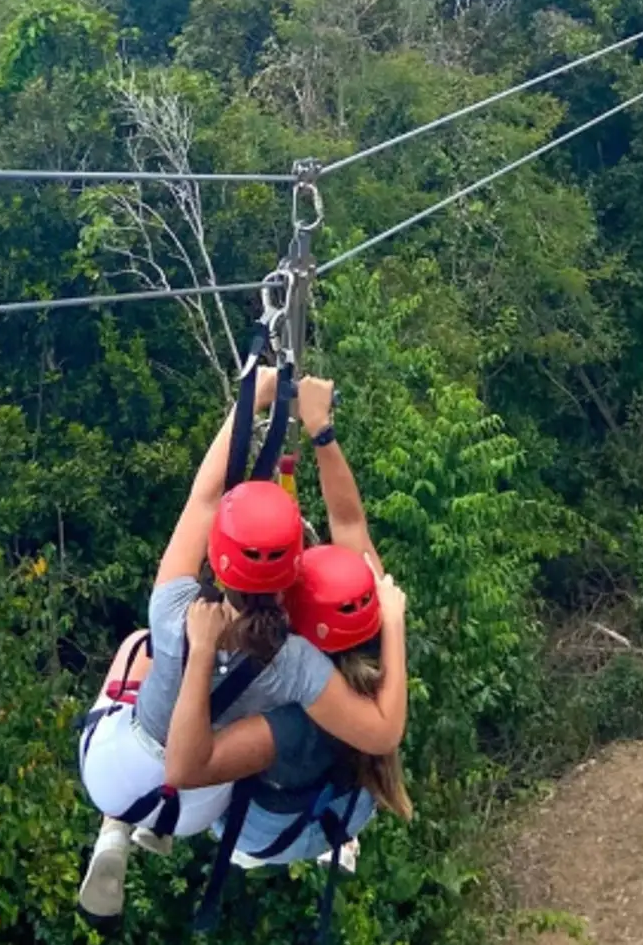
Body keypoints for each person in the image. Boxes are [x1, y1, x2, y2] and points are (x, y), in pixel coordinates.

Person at [74, 368, 408, 922]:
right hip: (197, 803)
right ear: (294, 576)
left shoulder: (175, 610)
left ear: (219, 558)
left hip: (123, 768)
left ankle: (115, 826)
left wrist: (256, 398)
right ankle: (162, 828)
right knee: (242, 755)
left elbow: (205, 498)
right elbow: (349, 525)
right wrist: (320, 431)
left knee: (138, 646)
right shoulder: (297, 660)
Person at [166, 546, 412, 866]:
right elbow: (349, 521)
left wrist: (201, 650)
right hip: (351, 811)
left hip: (268, 833)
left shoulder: (290, 723)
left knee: (215, 708)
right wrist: (394, 621)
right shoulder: (382, 658)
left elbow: (186, 769)